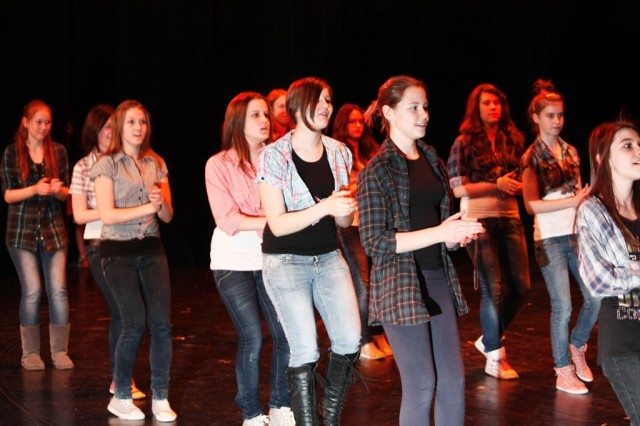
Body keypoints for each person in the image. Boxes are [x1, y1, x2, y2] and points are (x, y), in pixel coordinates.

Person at [357, 75, 484, 426]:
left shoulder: (432, 159)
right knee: (422, 384)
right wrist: (440, 232)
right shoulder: (376, 171)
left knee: (453, 383)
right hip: (398, 284)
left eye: (425, 107)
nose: (424, 114)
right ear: (389, 112)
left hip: (437, 278)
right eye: (413, 107)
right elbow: (375, 242)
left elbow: (438, 230)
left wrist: (454, 236)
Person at [257, 76, 361, 426]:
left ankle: (329, 419)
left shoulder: (340, 151)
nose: (326, 107)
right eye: (318, 100)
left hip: (328, 256)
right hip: (285, 260)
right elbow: (277, 223)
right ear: (296, 107)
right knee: (305, 348)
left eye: (329, 100)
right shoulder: (273, 156)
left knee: (349, 341)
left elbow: (343, 221)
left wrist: (345, 209)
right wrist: (326, 206)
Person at [205, 92, 294, 426]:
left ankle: (281, 405)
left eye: (265, 115)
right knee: (252, 336)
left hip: (271, 257)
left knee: (286, 333)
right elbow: (227, 220)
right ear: (237, 122)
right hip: (232, 261)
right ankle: (252, 413)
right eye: (256, 115)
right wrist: (275, 221)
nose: (265, 121)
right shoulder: (218, 164)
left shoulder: (279, 160)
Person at [92, 100, 176, 422]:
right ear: (119, 126)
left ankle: (161, 397)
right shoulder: (107, 164)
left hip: (152, 247)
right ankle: (122, 396)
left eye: (142, 122)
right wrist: (147, 208)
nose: (138, 127)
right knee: (133, 321)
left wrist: (160, 202)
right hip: (117, 251)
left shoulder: (157, 162)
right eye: (131, 122)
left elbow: (167, 216)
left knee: (162, 323)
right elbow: (107, 215)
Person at [446, 82, 531, 380]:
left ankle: (489, 338)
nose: (493, 107)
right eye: (486, 103)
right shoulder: (464, 142)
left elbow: (523, 180)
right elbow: (459, 188)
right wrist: (497, 184)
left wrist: (518, 186)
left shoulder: (514, 139)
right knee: (493, 288)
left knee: (522, 287)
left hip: (510, 217)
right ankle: (495, 355)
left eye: (496, 102)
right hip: (479, 219)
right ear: (476, 108)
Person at [520, 79, 600, 394]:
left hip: (577, 234)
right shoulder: (531, 157)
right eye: (550, 115)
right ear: (536, 118)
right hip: (549, 239)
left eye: (560, 115)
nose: (556, 120)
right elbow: (531, 205)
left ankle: (576, 346)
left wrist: (584, 208)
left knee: (595, 296)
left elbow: (578, 194)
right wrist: (573, 201)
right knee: (562, 306)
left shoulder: (571, 151)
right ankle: (562, 370)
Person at [69, 104, 145, 400]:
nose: (111, 132)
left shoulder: (128, 160)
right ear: (94, 131)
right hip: (100, 244)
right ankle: (121, 381)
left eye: (115, 126)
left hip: (131, 241)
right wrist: (113, 210)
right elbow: (79, 215)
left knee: (129, 312)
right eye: (106, 127)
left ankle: (122, 378)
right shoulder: (83, 167)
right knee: (124, 310)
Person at [0, 99, 75, 371]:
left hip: (53, 231)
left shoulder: (58, 151)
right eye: (38, 122)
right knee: (32, 290)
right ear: (26, 122)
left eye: (47, 122)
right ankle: (30, 353)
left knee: (59, 290)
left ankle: (59, 351)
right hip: (22, 232)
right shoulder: (12, 153)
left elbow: (67, 193)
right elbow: (8, 195)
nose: (43, 127)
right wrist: (34, 189)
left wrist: (57, 190)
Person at [576, 119, 640, 425]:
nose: (638, 151)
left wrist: (630, 270)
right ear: (602, 157)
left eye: (639, 145)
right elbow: (599, 281)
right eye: (628, 145)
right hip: (624, 341)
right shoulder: (593, 210)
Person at [330, 103, 391, 360]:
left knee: (379, 283)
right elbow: (339, 190)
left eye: (359, 121)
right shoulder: (336, 152)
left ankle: (377, 333)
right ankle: (363, 339)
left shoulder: (369, 149)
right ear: (342, 125)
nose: (357, 125)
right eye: (352, 121)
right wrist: (361, 182)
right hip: (350, 225)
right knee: (363, 284)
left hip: (374, 223)